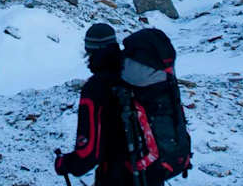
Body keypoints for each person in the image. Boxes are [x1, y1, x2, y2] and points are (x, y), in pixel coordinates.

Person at [54, 23, 165, 186]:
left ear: (90, 50)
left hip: (119, 177)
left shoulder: (95, 88)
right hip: (152, 173)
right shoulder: (135, 77)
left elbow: (88, 155)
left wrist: (64, 164)